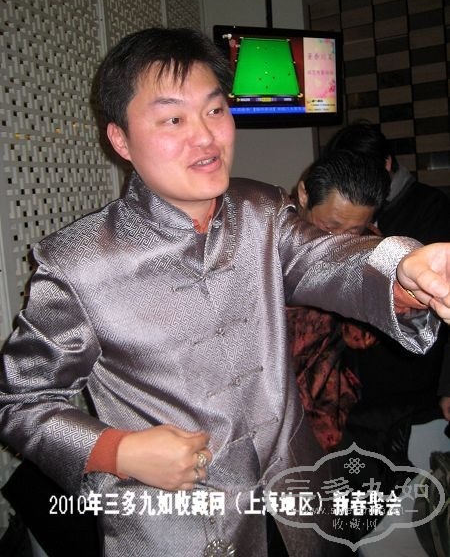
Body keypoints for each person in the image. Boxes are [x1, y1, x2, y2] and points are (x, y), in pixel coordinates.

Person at [0, 28, 449, 557]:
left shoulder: (262, 211)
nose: (206, 137)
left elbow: (328, 259)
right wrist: (119, 452)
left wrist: (403, 268)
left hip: (297, 502)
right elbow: (19, 402)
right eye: (173, 119)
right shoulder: (78, 265)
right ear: (120, 140)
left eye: (215, 110)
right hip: (179, 529)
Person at [322, 120, 450, 477]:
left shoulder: (431, 207)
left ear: (387, 164)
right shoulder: (348, 211)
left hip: (412, 380)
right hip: (357, 387)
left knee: (406, 480)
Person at [286, 149, 390, 451]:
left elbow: (361, 338)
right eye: (330, 227)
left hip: (318, 409)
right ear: (304, 195)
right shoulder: (262, 234)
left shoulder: (368, 248)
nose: (339, 242)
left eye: (353, 231)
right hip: (251, 402)